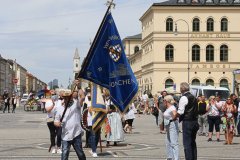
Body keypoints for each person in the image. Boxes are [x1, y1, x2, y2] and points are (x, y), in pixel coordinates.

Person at [54, 88, 86, 160]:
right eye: (65, 98)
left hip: (76, 134)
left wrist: (78, 87)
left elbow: (82, 97)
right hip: (65, 135)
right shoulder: (59, 109)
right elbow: (55, 121)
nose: (67, 99)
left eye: (68, 97)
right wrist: (57, 124)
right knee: (64, 154)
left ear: (71, 98)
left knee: (80, 153)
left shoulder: (76, 105)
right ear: (63, 98)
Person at [173, 82, 199, 160]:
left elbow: (180, 111)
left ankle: (189, 158)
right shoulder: (194, 97)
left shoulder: (184, 97)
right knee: (192, 142)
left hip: (188, 121)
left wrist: (174, 117)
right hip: (195, 121)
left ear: (182, 89)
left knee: (187, 143)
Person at [163, 95, 179, 160]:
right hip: (168, 125)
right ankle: (170, 157)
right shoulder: (168, 108)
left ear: (166, 101)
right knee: (168, 142)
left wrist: (173, 119)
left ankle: (176, 158)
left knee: (174, 143)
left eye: (164, 100)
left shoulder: (172, 108)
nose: (163, 102)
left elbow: (175, 114)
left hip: (172, 125)